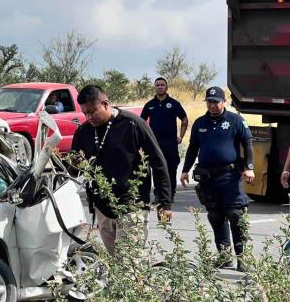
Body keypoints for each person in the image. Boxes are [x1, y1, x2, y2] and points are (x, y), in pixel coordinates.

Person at [71, 85, 172, 255]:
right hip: (103, 208)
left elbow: (158, 161)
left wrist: (165, 202)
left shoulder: (133, 124)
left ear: (105, 104)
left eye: (93, 111)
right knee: (116, 265)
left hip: (132, 204)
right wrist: (75, 164)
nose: (89, 117)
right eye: (85, 113)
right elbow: (74, 169)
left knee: (129, 264)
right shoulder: (84, 131)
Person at [180, 86, 255, 271]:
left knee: (236, 215)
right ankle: (224, 256)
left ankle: (242, 258)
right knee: (216, 216)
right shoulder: (200, 123)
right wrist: (185, 170)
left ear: (224, 102)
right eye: (209, 101)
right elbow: (192, 149)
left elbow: (247, 143)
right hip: (208, 177)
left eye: (216, 101)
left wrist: (249, 167)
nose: (212, 105)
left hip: (229, 176)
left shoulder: (235, 120)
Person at [140, 77, 188, 201]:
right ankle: (158, 194)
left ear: (166, 87)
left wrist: (181, 136)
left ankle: (170, 193)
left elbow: (184, 119)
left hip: (171, 143)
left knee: (171, 168)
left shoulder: (174, 103)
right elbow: (141, 122)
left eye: (162, 85)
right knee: (156, 168)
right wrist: (144, 139)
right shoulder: (149, 105)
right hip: (154, 144)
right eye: (157, 85)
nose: (160, 87)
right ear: (154, 87)